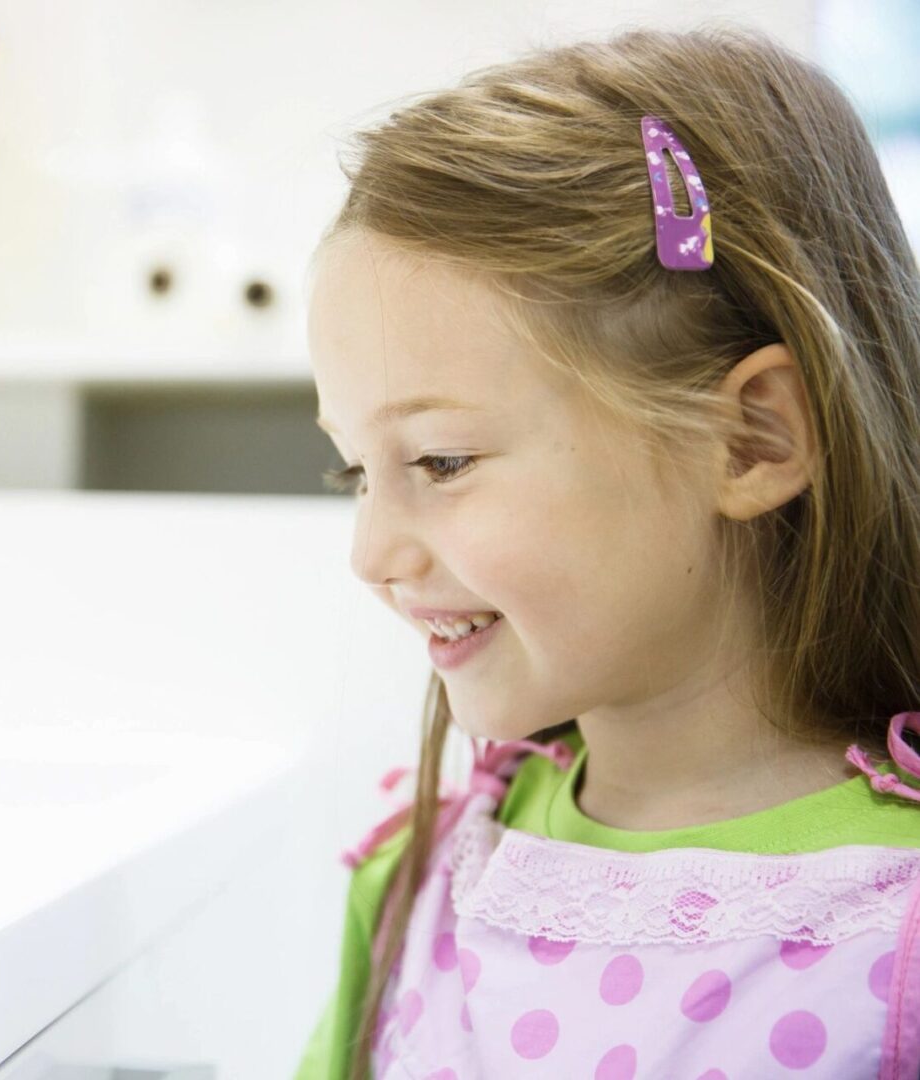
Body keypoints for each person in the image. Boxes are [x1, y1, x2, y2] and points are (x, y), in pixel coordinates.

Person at [296, 24, 920, 1080]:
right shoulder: (413, 881)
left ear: (750, 438)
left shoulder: (891, 929)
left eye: (440, 462)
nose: (372, 552)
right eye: (357, 471)